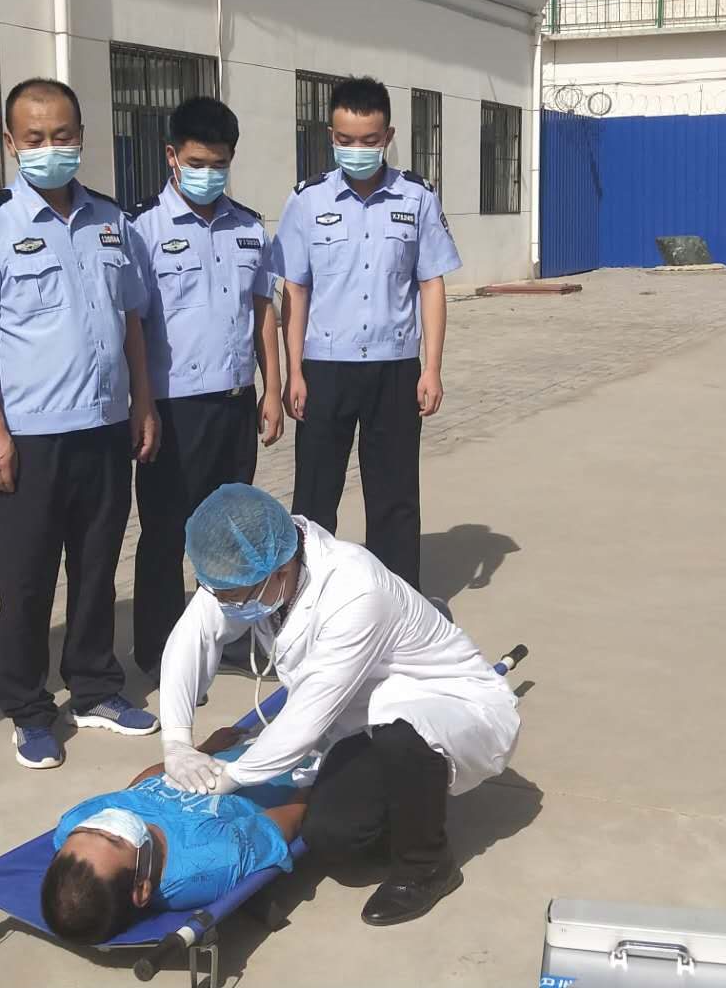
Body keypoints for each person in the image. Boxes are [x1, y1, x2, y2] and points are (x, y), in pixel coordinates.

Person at [157, 484, 519, 927]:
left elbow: (309, 713)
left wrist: (232, 777)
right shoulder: (251, 569)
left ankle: (427, 866)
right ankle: (403, 800)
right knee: (336, 839)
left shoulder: (355, 590)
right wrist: (176, 741)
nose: (227, 605)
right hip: (359, 714)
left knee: (403, 734)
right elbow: (192, 636)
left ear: (282, 570)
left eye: (235, 597)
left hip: (443, 700)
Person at [0, 78, 163, 771]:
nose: (50, 147)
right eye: (34, 137)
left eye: (62, 135)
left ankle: (94, 688)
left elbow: (131, 319)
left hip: (103, 424)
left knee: (97, 567)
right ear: (11, 143)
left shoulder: (112, 221)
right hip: (31, 434)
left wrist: (143, 402)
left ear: (82, 137)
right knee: (28, 580)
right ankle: (29, 708)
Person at [272, 77, 459, 591]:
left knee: (394, 496)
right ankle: (307, 601)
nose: (357, 149)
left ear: (388, 136)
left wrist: (432, 368)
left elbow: (431, 283)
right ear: (331, 136)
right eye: (346, 139)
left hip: (394, 369)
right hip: (325, 368)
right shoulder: (307, 200)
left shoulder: (417, 197)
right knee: (314, 497)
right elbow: (295, 290)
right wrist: (294, 372)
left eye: (370, 139)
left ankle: (397, 605)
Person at [126, 96, 284, 679]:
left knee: (230, 528)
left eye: (219, 163)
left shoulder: (248, 226)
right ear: (171, 156)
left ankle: (228, 637)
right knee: (166, 533)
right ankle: (162, 649)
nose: (207, 173)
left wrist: (272, 390)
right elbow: (132, 325)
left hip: (234, 403)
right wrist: (142, 404)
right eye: (196, 162)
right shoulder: (141, 228)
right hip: (173, 408)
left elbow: (262, 311)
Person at [40, 726, 308, 945]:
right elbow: (288, 818)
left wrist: (201, 751)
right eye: (114, 839)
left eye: (88, 829)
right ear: (141, 889)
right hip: (287, 763)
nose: (108, 821)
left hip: (221, 753)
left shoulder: (73, 823)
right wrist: (317, 774)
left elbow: (138, 791)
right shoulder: (209, 858)